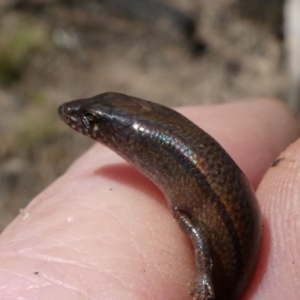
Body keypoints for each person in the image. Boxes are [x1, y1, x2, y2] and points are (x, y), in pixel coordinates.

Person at [0, 98, 299, 299]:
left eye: (91, 121)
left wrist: (206, 282)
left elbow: (202, 236)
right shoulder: (159, 157)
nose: (78, 118)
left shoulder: (189, 193)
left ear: (133, 141)